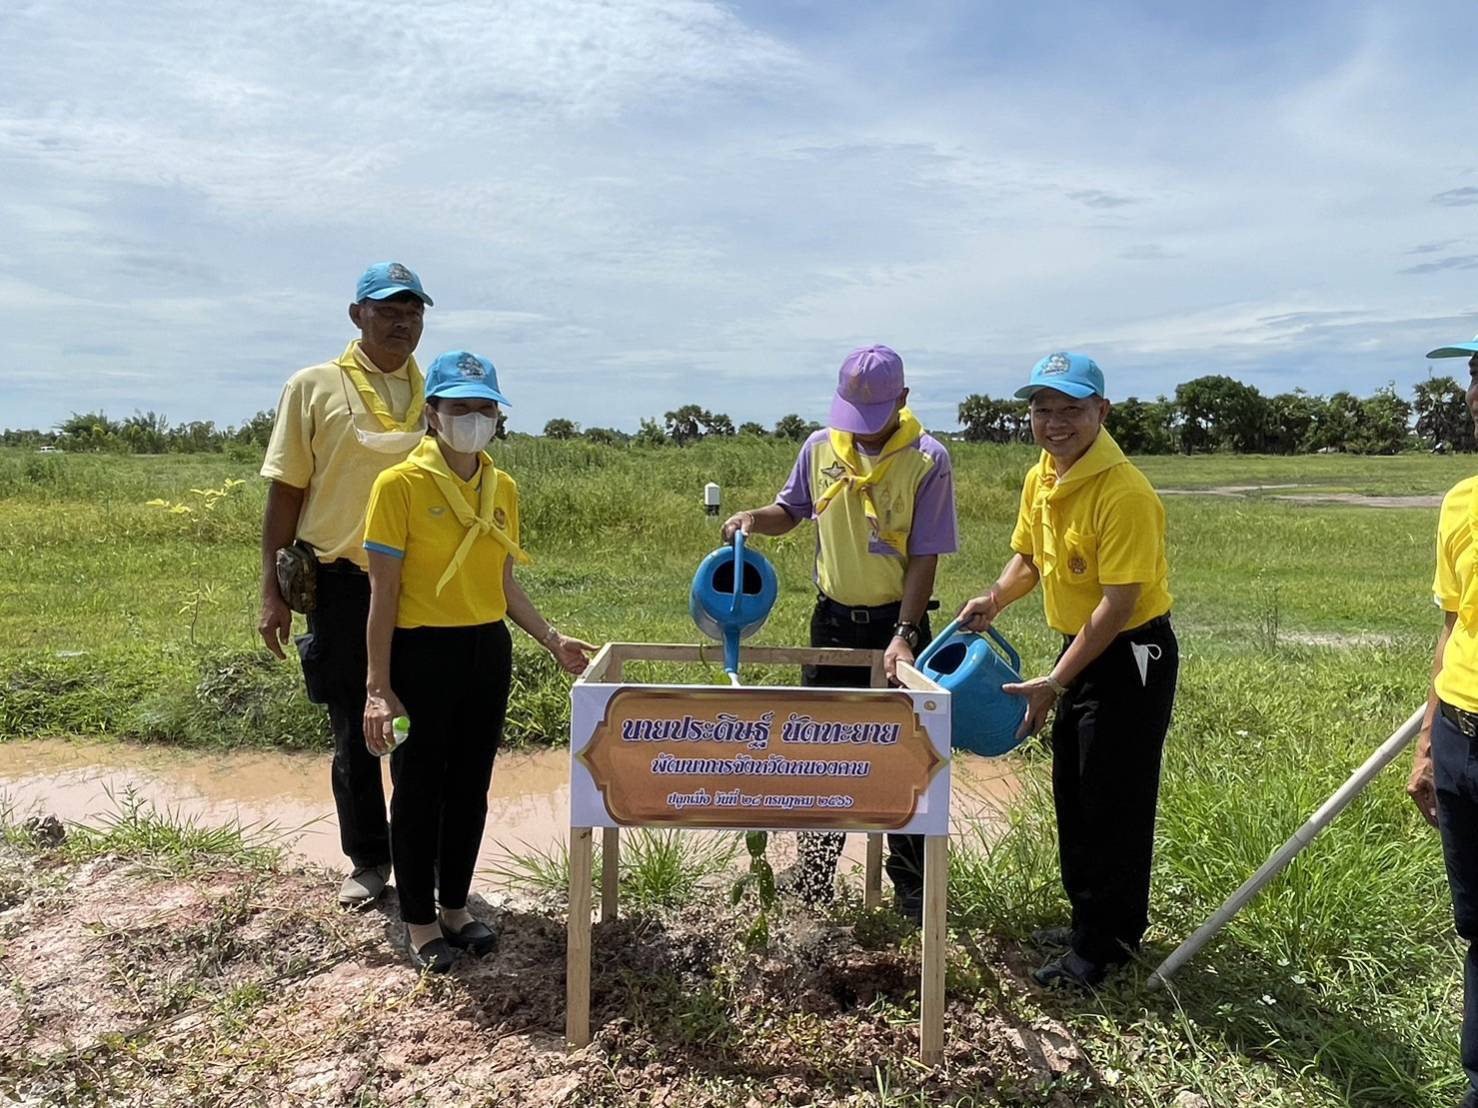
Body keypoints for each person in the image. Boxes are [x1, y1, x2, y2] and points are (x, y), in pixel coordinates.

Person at [361, 350, 595, 972]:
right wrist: (378, 687)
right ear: (431, 414)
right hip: (419, 654)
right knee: (418, 789)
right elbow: (382, 593)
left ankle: (455, 906)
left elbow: (503, 582)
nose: (472, 418)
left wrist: (552, 639)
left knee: (470, 786)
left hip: (485, 650)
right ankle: (417, 920)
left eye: (484, 408)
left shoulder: (502, 488)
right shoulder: (398, 486)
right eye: (459, 406)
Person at [957, 352, 1177, 988]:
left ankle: (1103, 949)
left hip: (1131, 655)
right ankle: (1091, 921)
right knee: (1075, 791)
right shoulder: (1043, 478)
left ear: (1101, 411)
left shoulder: (1125, 493)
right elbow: (1029, 557)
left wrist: (1056, 681)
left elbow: (1119, 604)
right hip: (1078, 648)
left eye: (1071, 409)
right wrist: (995, 598)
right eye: (1043, 409)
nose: (1054, 422)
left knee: (1113, 799)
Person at [720, 344, 957, 921]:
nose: (863, 431)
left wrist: (904, 634)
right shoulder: (821, 446)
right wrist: (753, 519)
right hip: (831, 622)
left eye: (875, 418)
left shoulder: (928, 460)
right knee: (820, 753)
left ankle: (911, 892)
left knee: (904, 755)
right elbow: (791, 510)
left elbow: (924, 556)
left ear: (903, 399)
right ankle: (815, 881)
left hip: (896, 625)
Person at [259, 262, 433, 908]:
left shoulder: (435, 394)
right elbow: (286, 493)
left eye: (412, 311)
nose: (401, 322)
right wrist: (270, 592)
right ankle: (368, 859)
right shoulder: (313, 387)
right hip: (340, 585)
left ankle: (418, 856)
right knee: (354, 727)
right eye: (387, 309)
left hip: (420, 587)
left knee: (418, 727)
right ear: (357, 314)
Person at [1408, 334, 1478, 1108]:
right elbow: (1453, 626)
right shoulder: (1461, 502)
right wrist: (1429, 744)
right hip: (1461, 731)